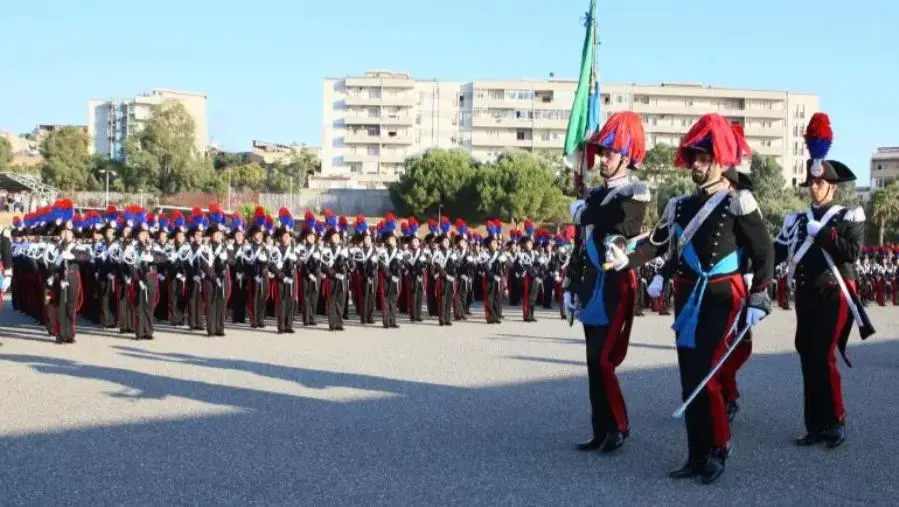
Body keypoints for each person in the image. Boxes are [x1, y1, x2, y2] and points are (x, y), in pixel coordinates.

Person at [629, 113, 773, 484]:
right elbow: (660, 245)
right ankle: (695, 454)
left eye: (704, 157)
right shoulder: (679, 205)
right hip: (689, 295)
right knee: (689, 377)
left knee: (708, 375)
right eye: (693, 155)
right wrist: (631, 264)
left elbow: (764, 252)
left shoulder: (738, 201)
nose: (696, 163)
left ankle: (718, 448)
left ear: (720, 159)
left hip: (724, 295)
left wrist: (759, 295)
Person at [772, 112, 871, 449]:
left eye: (819, 183)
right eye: (810, 183)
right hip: (807, 296)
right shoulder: (796, 220)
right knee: (806, 355)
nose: (813, 188)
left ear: (832, 185)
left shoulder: (847, 216)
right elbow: (777, 251)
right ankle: (814, 425)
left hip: (834, 292)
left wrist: (825, 234)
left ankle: (836, 421)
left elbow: (850, 253)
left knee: (822, 355)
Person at [565, 111, 650, 454]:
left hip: (615, 284)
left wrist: (585, 212)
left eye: (610, 153)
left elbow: (624, 224)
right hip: (590, 284)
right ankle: (600, 428)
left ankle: (619, 426)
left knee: (604, 360)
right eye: (601, 153)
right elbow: (580, 246)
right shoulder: (593, 198)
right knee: (591, 361)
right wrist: (571, 284)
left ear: (627, 157)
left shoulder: (635, 192)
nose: (601, 159)